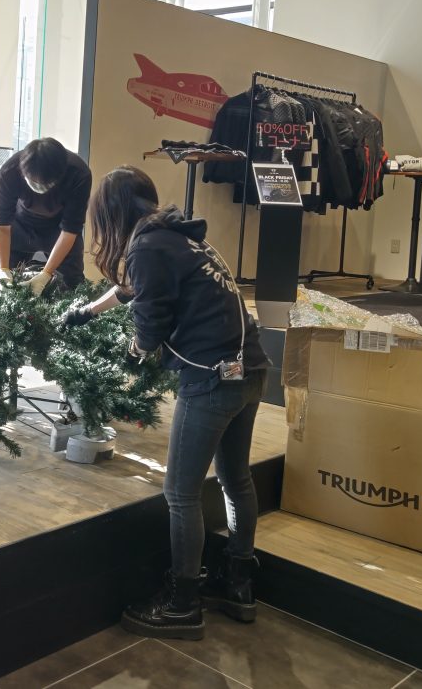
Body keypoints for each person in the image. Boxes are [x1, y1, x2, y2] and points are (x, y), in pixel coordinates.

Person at [65, 165, 270, 640]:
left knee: (180, 493)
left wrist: (134, 351)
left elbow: (150, 325)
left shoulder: (146, 247)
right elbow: (134, 289)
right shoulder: (179, 237)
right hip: (251, 369)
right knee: (236, 479)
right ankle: (238, 583)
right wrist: (88, 312)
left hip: (211, 379)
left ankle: (182, 603)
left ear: (110, 213)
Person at [0, 137, 91, 294]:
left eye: (46, 185)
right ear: (23, 172)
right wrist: (3, 270)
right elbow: (1, 225)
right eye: (34, 183)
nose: (40, 189)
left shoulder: (78, 174)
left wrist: (46, 274)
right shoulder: (9, 172)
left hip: (60, 230)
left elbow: (70, 230)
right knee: (0, 287)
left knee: (72, 285)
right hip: (19, 226)